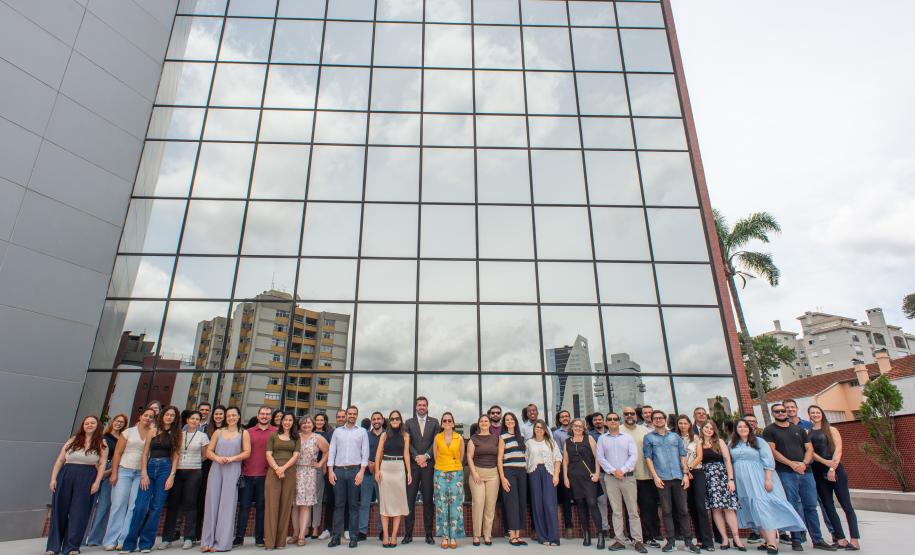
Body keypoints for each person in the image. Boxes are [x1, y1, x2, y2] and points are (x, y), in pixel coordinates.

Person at [762, 404, 835, 551]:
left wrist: (803, 463)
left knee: (810, 507)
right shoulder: (769, 430)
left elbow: (809, 449)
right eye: (778, 411)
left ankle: (817, 539)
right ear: (773, 413)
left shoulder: (799, 430)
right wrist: (791, 464)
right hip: (786, 472)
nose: (781, 413)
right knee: (793, 506)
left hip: (806, 473)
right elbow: (772, 451)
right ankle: (796, 539)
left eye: (783, 410)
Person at [731, 419, 805, 555]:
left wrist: (768, 479)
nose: (742, 429)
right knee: (754, 509)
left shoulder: (759, 442)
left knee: (764, 508)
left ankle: (772, 543)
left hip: (759, 479)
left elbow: (769, 461)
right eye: (739, 427)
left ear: (750, 428)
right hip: (742, 483)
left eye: (745, 426)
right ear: (735, 430)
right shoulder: (732, 444)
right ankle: (766, 540)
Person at [120, 405, 182, 553]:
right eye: (167, 414)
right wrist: (143, 474)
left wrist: (171, 476)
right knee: (140, 506)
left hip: (165, 469)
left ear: (175, 418)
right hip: (150, 467)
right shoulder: (152, 431)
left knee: (156, 507)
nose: (169, 417)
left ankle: (146, 544)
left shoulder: (177, 434)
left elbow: (176, 456)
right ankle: (129, 544)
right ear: (162, 415)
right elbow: (145, 453)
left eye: (172, 415)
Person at [47, 415, 107, 555]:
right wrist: (53, 479)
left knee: (79, 513)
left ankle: (72, 547)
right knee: (59, 510)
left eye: (92, 423)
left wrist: (97, 482)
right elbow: (60, 460)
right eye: (87, 423)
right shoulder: (73, 440)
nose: (89, 425)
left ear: (97, 425)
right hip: (66, 475)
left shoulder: (102, 443)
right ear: (83, 425)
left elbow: (103, 464)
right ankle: (53, 547)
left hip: (87, 477)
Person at [643, 410, 700, 554]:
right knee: (667, 511)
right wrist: (655, 477)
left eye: (661, 418)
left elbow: (683, 456)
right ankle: (671, 541)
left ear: (665, 419)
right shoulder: (649, 438)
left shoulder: (675, 437)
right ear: (652, 420)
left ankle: (688, 542)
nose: (658, 420)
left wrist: (686, 474)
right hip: (662, 479)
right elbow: (648, 458)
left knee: (683, 510)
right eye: (655, 418)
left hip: (678, 477)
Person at [103, 407, 156, 550]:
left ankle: (124, 540)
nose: (148, 418)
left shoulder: (153, 433)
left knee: (133, 507)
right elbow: (117, 454)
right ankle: (110, 540)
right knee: (118, 504)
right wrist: (114, 473)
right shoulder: (128, 432)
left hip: (141, 474)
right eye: (146, 415)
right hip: (124, 471)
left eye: (151, 417)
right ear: (140, 416)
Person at [807, 406, 859, 550]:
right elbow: (811, 452)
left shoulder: (831, 429)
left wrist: (832, 468)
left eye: (818, 412)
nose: (815, 415)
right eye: (812, 413)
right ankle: (841, 538)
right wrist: (824, 463)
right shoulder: (808, 432)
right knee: (828, 506)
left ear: (822, 414)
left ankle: (854, 540)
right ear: (809, 416)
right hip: (818, 470)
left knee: (846, 505)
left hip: (835, 469)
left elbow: (838, 449)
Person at [201, 406, 251, 552]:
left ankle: (221, 543)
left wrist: (232, 458)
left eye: (234, 415)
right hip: (216, 468)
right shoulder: (218, 432)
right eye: (228, 415)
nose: (231, 418)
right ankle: (207, 541)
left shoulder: (244, 433)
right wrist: (217, 458)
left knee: (227, 505)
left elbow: (247, 452)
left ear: (239, 416)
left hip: (233, 469)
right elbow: (209, 451)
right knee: (212, 503)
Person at [597, 411, 647, 553]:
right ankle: (620, 540)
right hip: (611, 479)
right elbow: (600, 458)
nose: (612, 421)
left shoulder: (627, 437)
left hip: (628, 477)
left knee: (633, 511)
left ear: (618, 421)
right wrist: (614, 471)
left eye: (615, 419)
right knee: (616, 511)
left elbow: (633, 456)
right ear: (606, 422)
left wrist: (622, 470)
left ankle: (637, 541)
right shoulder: (602, 439)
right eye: (609, 419)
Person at [161, 410, 210, 549]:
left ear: (200, 422)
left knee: (190, 503)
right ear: (187, 420)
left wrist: (193, 461)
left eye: (197, 419)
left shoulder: (203, 436)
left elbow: (205, 455)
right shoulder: (178, 435)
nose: (194, 421)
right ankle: (167, 538)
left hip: (194, 472)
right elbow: (174, 452)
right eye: (192, 418)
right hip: (177, 471)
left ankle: (189, 537)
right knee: (173, 504)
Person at [327, 405, 370, 548]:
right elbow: (332, 451)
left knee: (353, 506)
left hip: (354, 471)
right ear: (345, 415)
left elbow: (365, 453)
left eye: (354, 414)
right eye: (349, 413)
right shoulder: (337, 432)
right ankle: (336, 537)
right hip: (338, 471)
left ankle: (353, 537)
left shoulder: (362, 432)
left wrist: (361, 472)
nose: (352, 416)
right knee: (338, 505)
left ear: (357, 416)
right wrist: (331, 470)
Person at [235, 406, 277, 547]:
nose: (264, 416)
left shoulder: (276, 432)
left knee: (262, 507)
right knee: (244, 507)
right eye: (262, 414)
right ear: (257, 416)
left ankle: (259, 538)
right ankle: (239, 537)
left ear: (271, 417)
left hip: (266, 476)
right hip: (247, 475)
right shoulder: (248, 432)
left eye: (267, 414)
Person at [699, 421, 743, 550]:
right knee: (715, 509)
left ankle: (736, 539)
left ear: (714, 430)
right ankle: (724, 539)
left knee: (728, 508)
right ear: (702, 428)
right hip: (707, 478)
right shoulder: (699, 443)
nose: (708, 430)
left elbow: (727, 460)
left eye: (711, 428)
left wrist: (730, 479)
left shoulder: (720, 442)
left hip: (721, 476)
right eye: (706, 427)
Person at [85, 413, 126, 547]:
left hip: (111, 471)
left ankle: (94, 539)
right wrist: (99, 470)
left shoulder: (122, 439)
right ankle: (81, 537)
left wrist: (109, 472)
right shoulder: (102, 437)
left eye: (122, 422)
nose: (118, 423)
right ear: (112, 422)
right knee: (88, 505)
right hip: (96, 468)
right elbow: (95, 454)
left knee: (104, 507)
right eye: (117, 420)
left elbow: (120, 458)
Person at [622, 406, 660, 548]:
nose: (629, 416)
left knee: (647, 507)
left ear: (636, 416)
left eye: (632, 413)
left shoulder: (644, 431)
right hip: (627, 476)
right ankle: (634, 538)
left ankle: (649, 536)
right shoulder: (618, 430)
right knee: (630, 509)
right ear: (623, 416)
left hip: (645, 475)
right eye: (626, 414)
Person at [404, 396, 440, 545]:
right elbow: (407, 443)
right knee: (409, 501)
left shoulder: (435, 422)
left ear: (427, 407)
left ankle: (428, 534)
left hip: (428, 467)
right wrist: (417, 457)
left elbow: (436, 442)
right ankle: (408, 534)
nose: (421, 407)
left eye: (424, 405)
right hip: (412, 467)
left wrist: (426, 456)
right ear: (416, 407)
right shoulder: (408, 423)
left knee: (427, 501)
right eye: (419, 405)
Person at [563, 418, 603, 548]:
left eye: (580, 426)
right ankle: (586, 534)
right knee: (580, 505)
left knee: (592, 503)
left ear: (584, 428)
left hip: (589, 477)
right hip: (574, 478)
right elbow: (565, 461)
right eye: (576, 426)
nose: (578, 428)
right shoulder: (567, 442)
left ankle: (600, 534)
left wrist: (597, 473)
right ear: (572, 427)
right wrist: (565, 477)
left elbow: (597, 457)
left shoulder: (589, 438)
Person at [262, 413, 300, 549]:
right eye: (285, 420)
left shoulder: (296, 437)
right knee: (272, 506)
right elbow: (268, 454)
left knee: (285, 506)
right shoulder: (273, 436)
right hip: (273, 471)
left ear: (293, 422)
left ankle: (280, 542)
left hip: (289, 471)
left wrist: (283, 468)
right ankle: (270, 542)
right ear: (281, 421)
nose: (287, 422)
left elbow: (296, 455)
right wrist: (277, 468)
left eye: (290, 420)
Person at [677, 415, 714, 550]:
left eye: (685, 423)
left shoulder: (696, 438)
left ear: (689, 424)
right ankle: (699, 539)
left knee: (700, 506)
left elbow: (699, 456)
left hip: (696, 473)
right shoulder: (675, 439)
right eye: (680, 423)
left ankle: (708, 541)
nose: (682, 425)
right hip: (682, 475)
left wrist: (689, 468)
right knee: (691, 507)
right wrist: (685, 472)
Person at [376, 410, 412, 547]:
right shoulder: (384, 435)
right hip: (386, 467)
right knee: (385, 503)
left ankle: (394, 536)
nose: (395, 420)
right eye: (392, 419)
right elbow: (378, 452)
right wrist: (377, 470)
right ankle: (385, 536)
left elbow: (407, 455)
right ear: (389, 421)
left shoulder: (406, 435)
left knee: (397, 504)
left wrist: (409, 472)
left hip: (399, 469)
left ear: (401, 420)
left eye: (397, 418)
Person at [293, 415, 330, 546]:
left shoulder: (318, 438)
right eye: (303, 423)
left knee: (306, 505)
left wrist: (320, 464)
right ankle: (295, 534)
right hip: (294, 472)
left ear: (313, 425)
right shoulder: (295, 436)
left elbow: (327, 450)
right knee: (295, 505)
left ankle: (302, 535)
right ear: (300, 425)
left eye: (308, 423)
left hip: (309, 473)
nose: (306, 425)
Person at [526, 419, 563, 546]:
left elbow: (558, 458)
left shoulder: (551, 442)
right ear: (534, 429)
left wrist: (556, 475)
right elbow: (526, 459)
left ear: (545, 429)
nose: (539, 429)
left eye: (541, 427)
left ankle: (554, 537)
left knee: (549, 504)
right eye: (537, 427)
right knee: (537, 505)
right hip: (534, 473)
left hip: (549, 473)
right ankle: (543, 537)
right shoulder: (529, 443)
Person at [467, 414, 501, 546]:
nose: (484, 423)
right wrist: (474, 473)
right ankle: (476, 536)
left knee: (490, 506)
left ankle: (487, 535)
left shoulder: (496, 439)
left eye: (486, 421)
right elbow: (469, 457)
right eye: (481, 421)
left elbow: (499, 457)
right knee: (478, 504)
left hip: (493, 475)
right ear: (478, 424)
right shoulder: (473, 439)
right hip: (477, 474)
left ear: (489, 423)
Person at [433, 411, 465, 549]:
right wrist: (443, 466)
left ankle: (454, 536)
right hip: (440, 473)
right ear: (442, 423)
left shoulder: (459, 438)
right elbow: (435, 456)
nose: (447, 423)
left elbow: (461, 456)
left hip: (456, 473)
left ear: (453, 423)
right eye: (444, 421)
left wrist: (453, 466)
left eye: (449, 420)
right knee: (441, 506)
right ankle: (445, 536)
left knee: (455, 506)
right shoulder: (437, 438)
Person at [194, 405, 225, 543]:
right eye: (216, 414)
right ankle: (199, 533)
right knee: (204, 499)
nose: (218, 416)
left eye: (221, 414)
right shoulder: (207, 429)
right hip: (207, 466)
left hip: (225, 465)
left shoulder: (230, 430)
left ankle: (219, 534)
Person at [497, 412, 528, 546]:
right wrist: (503, 478)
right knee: (511, 503)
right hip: (509, 471)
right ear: (504, 423)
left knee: (521, 502)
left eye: (512, 419)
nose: (509, 421)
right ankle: (511, 535)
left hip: (522, 472)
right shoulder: (502, 437)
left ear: (515, 421)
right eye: (507, 420)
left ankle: (518, 535)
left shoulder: (521, 437)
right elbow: (499, 459)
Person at [360, 412, 385, 542]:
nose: (376, 421)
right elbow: (361, 451)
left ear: (382, 420)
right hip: (367, 474)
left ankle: (382, 531)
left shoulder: (387, 435)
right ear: (371, 421)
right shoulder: (365, 435)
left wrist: (377, 466)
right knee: (364, 503)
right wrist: (368, 464)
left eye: (378, 419)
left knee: (382, 504)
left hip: (382, 474)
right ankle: (362, 531)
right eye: (374, 419)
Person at [552, 410, 574, 540]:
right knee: (565, 497)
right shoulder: (556, 433)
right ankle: (568, 526)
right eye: (562, 417)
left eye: (567, 416)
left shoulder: (576, 430)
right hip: (563, 466)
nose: (565, 418)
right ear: (559, 420)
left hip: (577, 467)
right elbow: (556, 451)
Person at [313, 412, 332, 539]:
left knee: (317, 499)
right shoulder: (308, 433)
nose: (319, 422)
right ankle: (306, 527)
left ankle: (315, 528)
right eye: (317, 420)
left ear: (325, 422)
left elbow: (328, 451)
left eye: (321, 420)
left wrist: (322, 465)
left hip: (320, 469)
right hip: (306, 470)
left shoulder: (327, 435)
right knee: (305, 501)